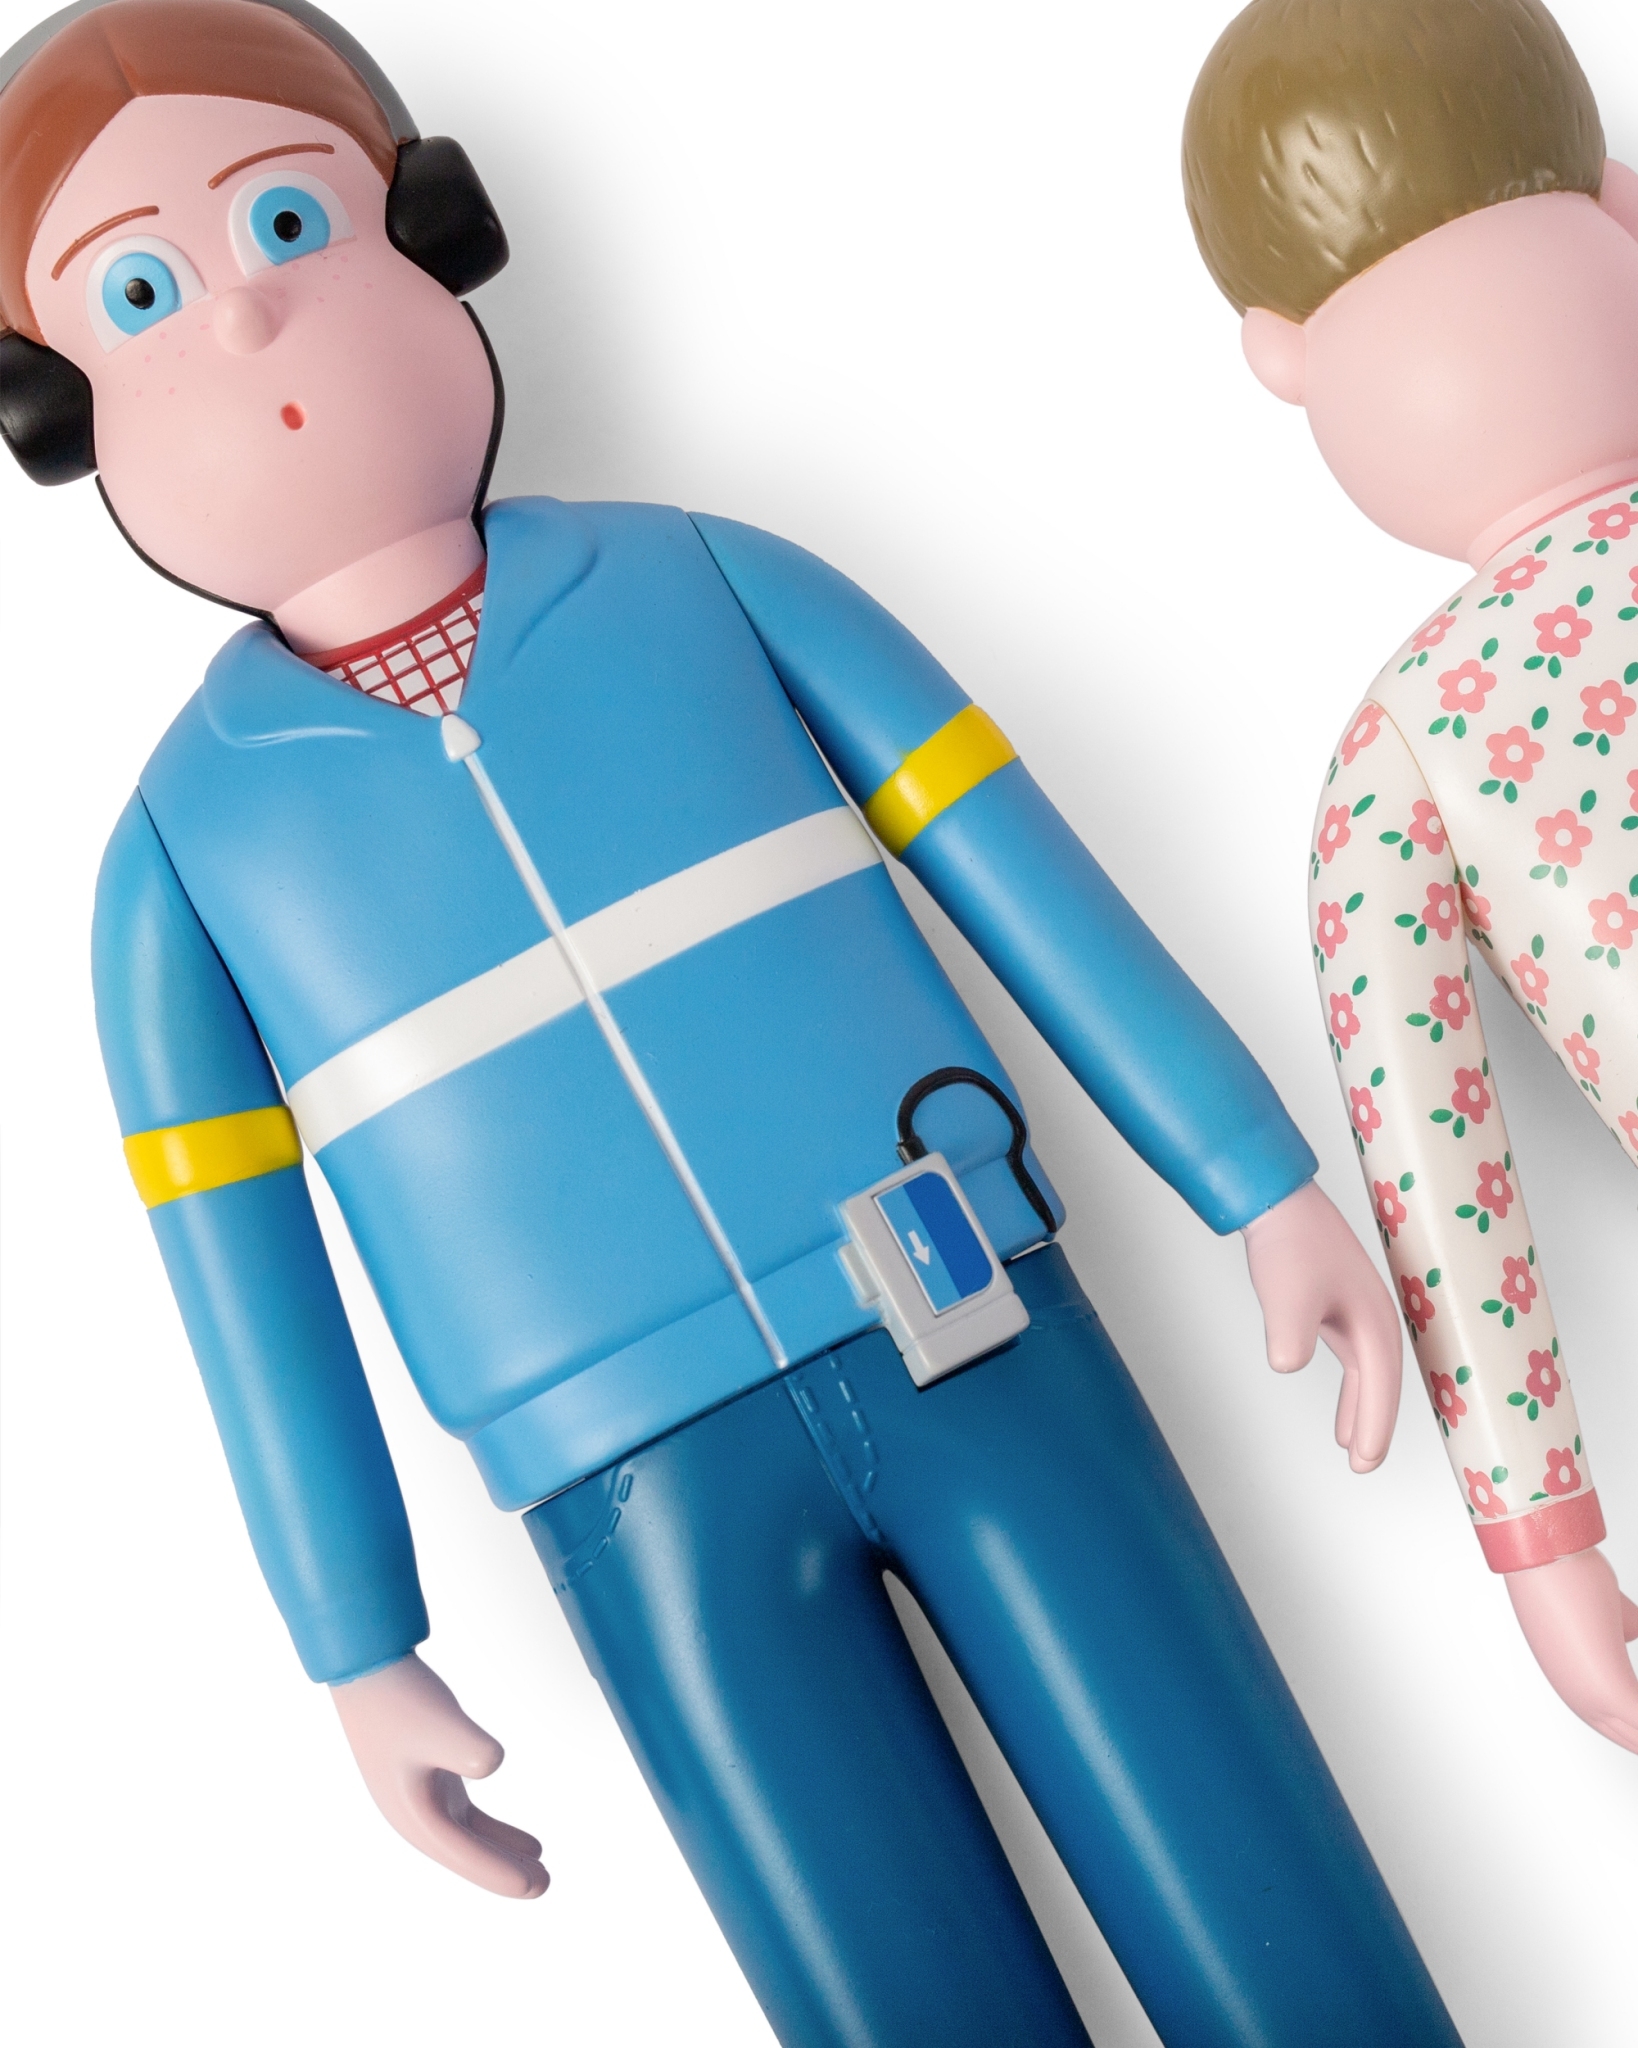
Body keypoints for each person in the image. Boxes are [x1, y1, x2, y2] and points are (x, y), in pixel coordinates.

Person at [1, 4, 1462, 2044]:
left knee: (1254, 1890)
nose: (244, 316)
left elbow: (1025, 879)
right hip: (634, 1489)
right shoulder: (178, 864)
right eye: (144, 293)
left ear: (432, 226)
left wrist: (1252, 1172)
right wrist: (357, 1641)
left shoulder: (717, 583)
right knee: (890, 1987)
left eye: (287, 222)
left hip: (975, 1323)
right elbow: (242, 1292)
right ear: (54, 409)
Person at [1184, 0, 1638, 1757]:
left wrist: (1547, 1549)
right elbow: (1435, 1167)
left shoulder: (1405, 750)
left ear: (1283, 356)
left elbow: (1439, 1178)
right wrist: (1543, 1545)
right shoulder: (1396, 762)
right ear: (1615, 208)